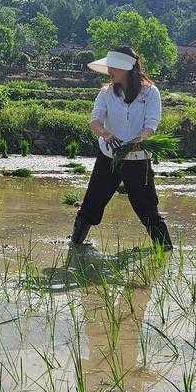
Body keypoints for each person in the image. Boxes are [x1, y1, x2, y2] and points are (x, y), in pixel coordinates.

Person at [70, 46, 172, 250]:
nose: (110, 72)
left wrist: (137, 140)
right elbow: (95, 121)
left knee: (147, 208)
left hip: (137, 158)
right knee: (91, 204)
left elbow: (151, 124)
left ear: (126, 68)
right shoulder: (106, 93)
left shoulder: (150, 92)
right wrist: (106, 134)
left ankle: (166, 249)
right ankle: (74, 246)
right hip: (109, 157)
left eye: (113, 68)